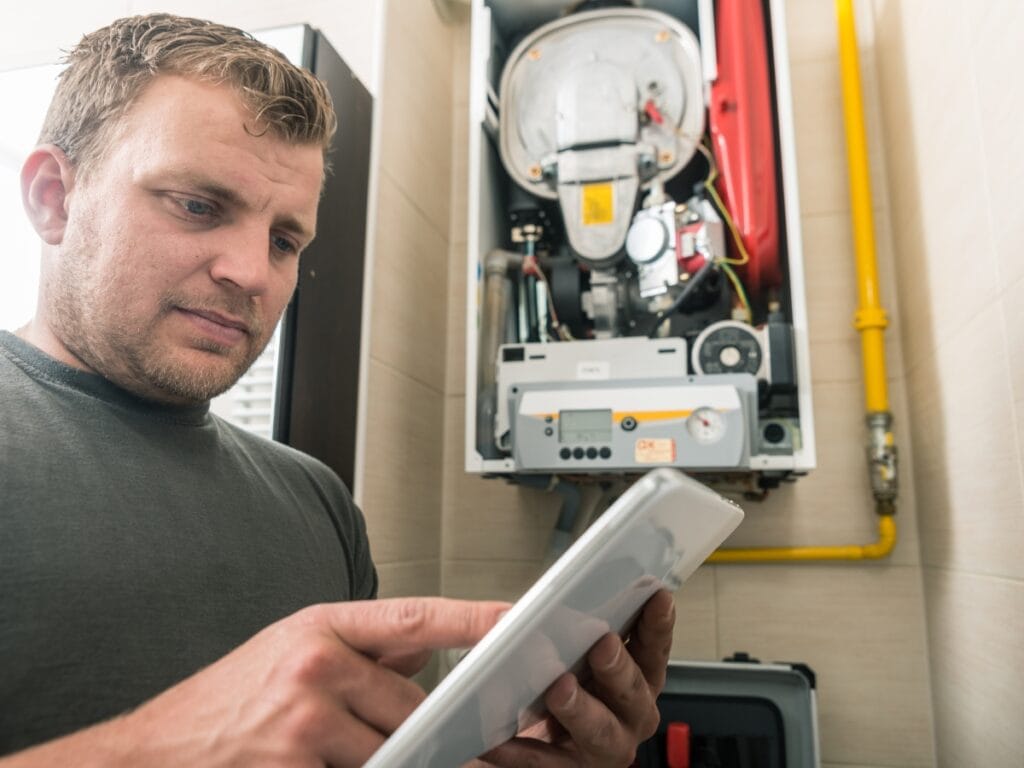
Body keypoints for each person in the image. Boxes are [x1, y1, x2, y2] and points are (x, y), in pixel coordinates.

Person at [0, 13, 675, 767]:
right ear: (54, 198)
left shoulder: (317, 501)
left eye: (285, 240)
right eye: (198, 206)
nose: (252, 273)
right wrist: (153, 750)